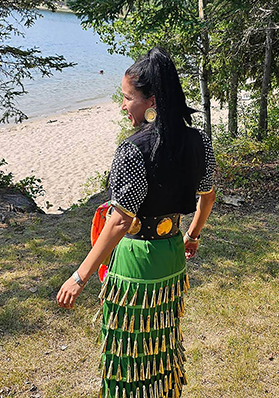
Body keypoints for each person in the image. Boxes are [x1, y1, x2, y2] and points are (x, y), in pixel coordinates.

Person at [56, 47, 216, 398]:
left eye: (128, 98)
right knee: (162, 342)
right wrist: (192, 235)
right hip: (172, 256)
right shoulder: (199, 140)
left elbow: (118, 222)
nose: (124, 105)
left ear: (151, 100)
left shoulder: (133, 148)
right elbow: (207, 196)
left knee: (128, 350)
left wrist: (79, 276)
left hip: (136, 266)